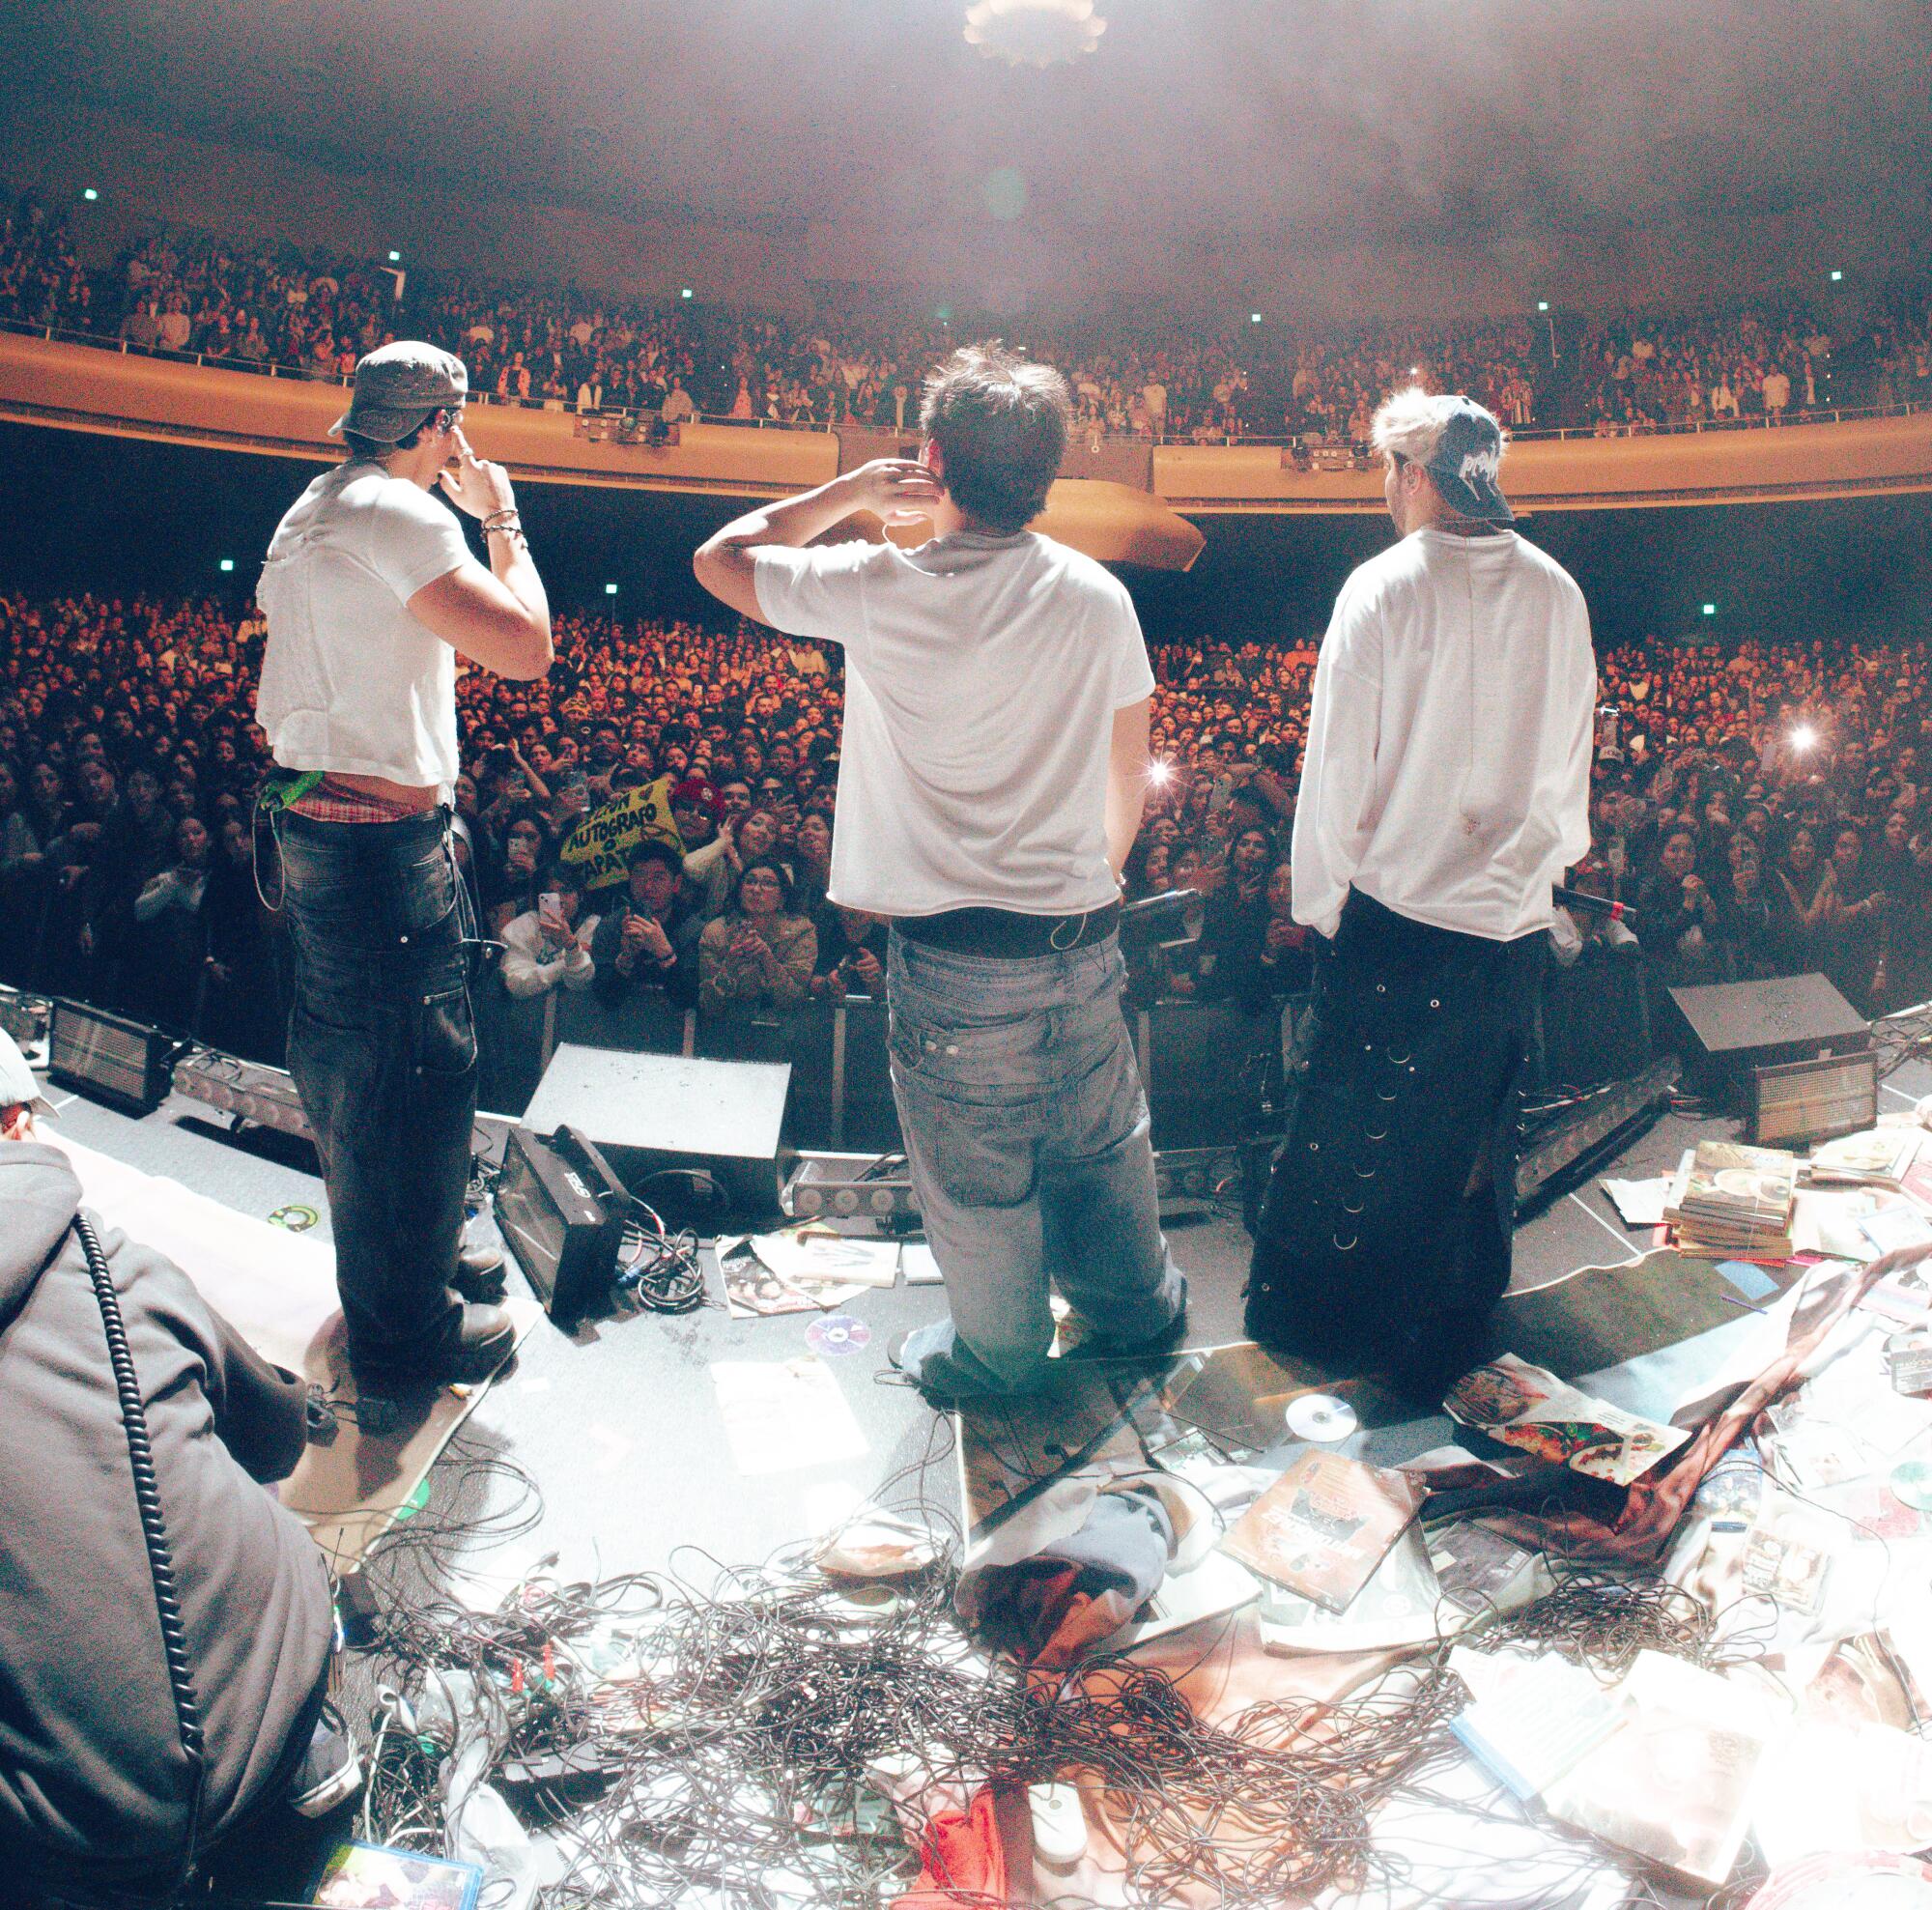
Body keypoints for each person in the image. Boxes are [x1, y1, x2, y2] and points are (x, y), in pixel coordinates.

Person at [694, 340, 1185, 1400]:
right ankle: (1137, 1316)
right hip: (1081, 935)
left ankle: (999, 1355)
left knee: (975, 1181)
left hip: (955, 960)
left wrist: (856, 489)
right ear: (1046, 471)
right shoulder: (1098, 596)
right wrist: (1082, 889)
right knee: (1103, 1148)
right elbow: (1126, 775)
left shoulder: (876, 582)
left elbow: (720, 557)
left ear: (931, 459)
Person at [1246, 389, 1594, 1395]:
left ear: (1411, 473)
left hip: (1393, 923)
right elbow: (1568, 765)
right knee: (1477, 1128)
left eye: (1383, 469)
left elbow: (1335, 771)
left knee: (1357, 1130)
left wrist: (1318, 906)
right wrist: (1539, 872)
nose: (1382, 491)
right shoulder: (1556, 590)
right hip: (1511, 923)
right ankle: (1458, 1314)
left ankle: (1339, 1336)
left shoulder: (1381, 587)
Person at [254, 340, 552, 1390]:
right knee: (409, 1082)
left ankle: (408, 1268)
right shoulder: (400, 510)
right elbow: (525, 647)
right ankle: (402, 1333)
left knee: (368, 1066)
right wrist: (500, 515)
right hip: (377, 847)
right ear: (439, 427)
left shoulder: (314, 504)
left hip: (331, 832)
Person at [0, 1028, 349, 1897]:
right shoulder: (118, 1267)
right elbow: (275, 1441)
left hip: (84, 1842)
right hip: (278, 1718)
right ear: (16, 1127)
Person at [696, 857, 816, 1019]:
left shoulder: (800, 930)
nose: (756, 889)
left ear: (782, 897)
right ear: (739, 892)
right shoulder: (717, 931)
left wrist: (767, 959)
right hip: (727, 1027)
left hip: (784, 1028)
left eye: (768, 883)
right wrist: (729, 966)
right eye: (750, 881)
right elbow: (709, 1007)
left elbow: (793, 1000)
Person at [589, 838, 702, 1010]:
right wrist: (625, 959)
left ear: (676, 884)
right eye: (640, 876)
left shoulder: (692, 929)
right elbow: (605, 1000)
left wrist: (665, 954)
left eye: (658, 878)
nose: (648, 887)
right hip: (620, 1027)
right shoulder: (611, 926)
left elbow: (689, 1000)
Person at [497, 862, 598, 998]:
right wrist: (569, 959)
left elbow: (580, 983)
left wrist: (569, 943)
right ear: (538, 899)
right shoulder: (523, 926)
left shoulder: (593, 926)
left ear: (579, 895)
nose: (560, 900)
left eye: (566, 891)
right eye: (550, 895)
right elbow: (515, 984)